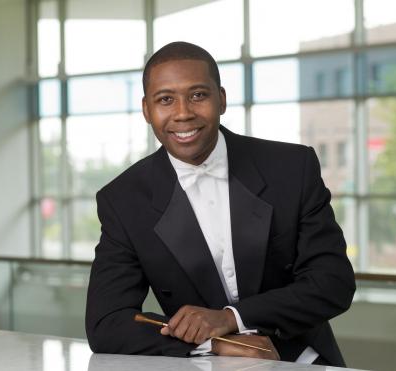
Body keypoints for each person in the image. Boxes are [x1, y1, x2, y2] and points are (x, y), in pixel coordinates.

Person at [85, 41, 356, 367]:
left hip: (300, 360)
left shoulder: (292, 167)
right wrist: (210, 345)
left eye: (198, 95)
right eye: (165, 100)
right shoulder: (124, 199)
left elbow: (333, 283)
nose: (183, 112)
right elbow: (107, 323)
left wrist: (231, 319)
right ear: (146, 110)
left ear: (222, 99)